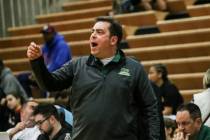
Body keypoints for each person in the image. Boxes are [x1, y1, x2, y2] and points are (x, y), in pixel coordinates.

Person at [27, 16, 160, 140]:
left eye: (100, 32)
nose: (93, 35)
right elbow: (49, 84)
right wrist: (37, 62)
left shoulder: (134, 69)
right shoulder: (77, 65)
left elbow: (150, 108)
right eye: (92, 31)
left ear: (113, 40)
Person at [17, 24, 72, 98]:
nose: (45, 36)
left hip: (58, 76)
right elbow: (40, 62)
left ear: (53, 33)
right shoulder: (45, 46)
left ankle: (43, 101)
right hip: (46, 73)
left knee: (43, 80)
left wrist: (40, 73)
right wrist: (35, 73)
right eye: (44, 34)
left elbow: (58, 65)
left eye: (47, 34)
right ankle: (29, 100)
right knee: (22, 77)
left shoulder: (62, 45)